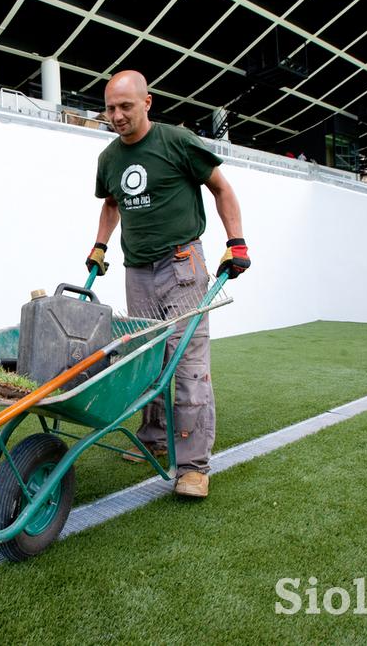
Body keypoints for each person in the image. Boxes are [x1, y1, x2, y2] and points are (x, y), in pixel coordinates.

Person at [86, 70, 250, 499]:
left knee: (187, 361)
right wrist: (100, 247)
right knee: (146, 357)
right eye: (110, 108)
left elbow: (221, 188)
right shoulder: (108, 159)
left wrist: (236, 241)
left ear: (147, 102)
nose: (117, 116)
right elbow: (111, 204)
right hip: (136, 269)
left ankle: (194, 467)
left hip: (182, 264)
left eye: (125, 106)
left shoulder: (176, 141)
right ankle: (154, 436)